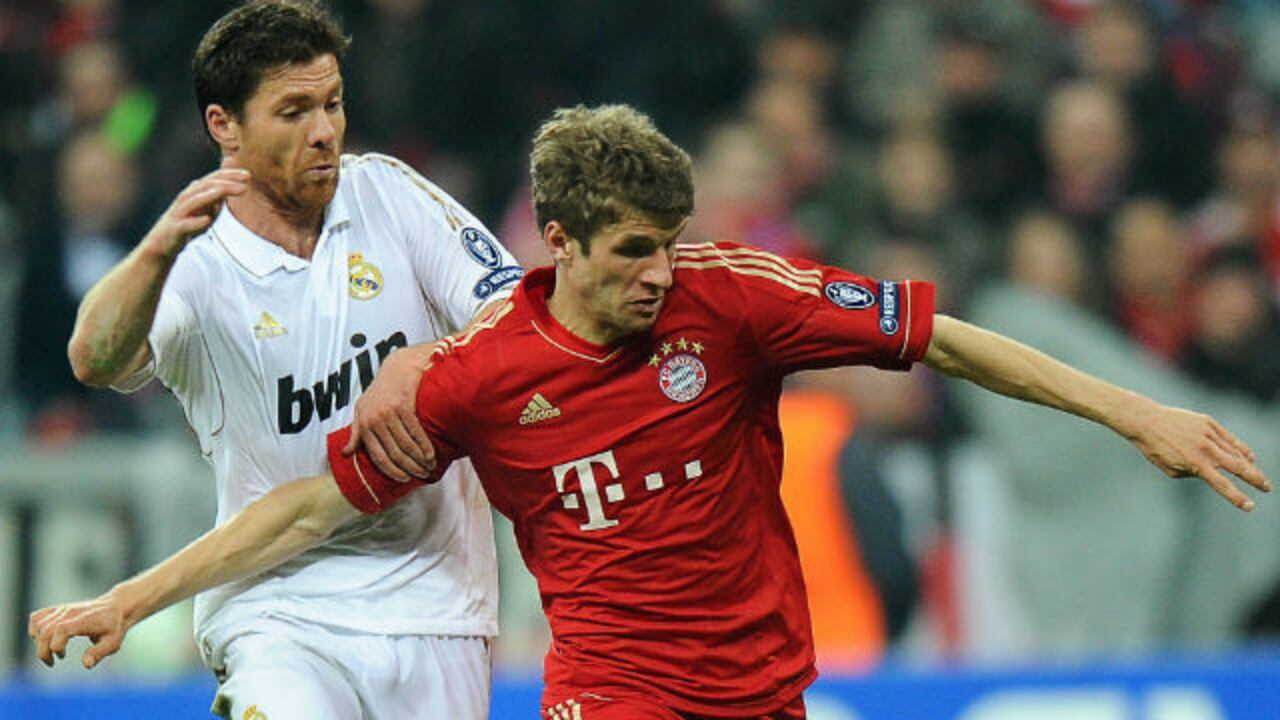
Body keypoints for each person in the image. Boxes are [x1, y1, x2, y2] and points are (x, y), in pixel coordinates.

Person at [32, 104, 1268, 719]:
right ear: (557, 240)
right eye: (631, 251)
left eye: (669, 244)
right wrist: (131, 600)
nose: (658, 274)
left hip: (762, 687)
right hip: (611, 691)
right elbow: (308, 508)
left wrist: (1134, 413)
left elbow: (936, 336)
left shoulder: (732, 298)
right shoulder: (478, 377)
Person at [44, 2, 522, 719]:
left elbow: (518, 320)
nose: (324, 131)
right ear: (224, 125)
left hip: (434, 599)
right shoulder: (193, 264)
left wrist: (427, 358)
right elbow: (94, 359)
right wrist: (154, 249)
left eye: (332, 103)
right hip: (275, 606)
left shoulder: (387, 192)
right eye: (294, 111)